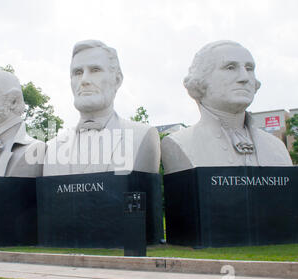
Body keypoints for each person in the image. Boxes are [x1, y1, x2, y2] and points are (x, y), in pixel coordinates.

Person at [161, 40, 292, 174]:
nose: (244, 77)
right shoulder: (179, 143)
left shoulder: (277, 148)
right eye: (230, 67)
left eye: (249, 68)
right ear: (201, 79)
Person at [43, 39, 160, 176]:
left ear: (117, 80)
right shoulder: (52, 148)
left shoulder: (142, 136)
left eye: (95, 70)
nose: (84, 80)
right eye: (78, 72)